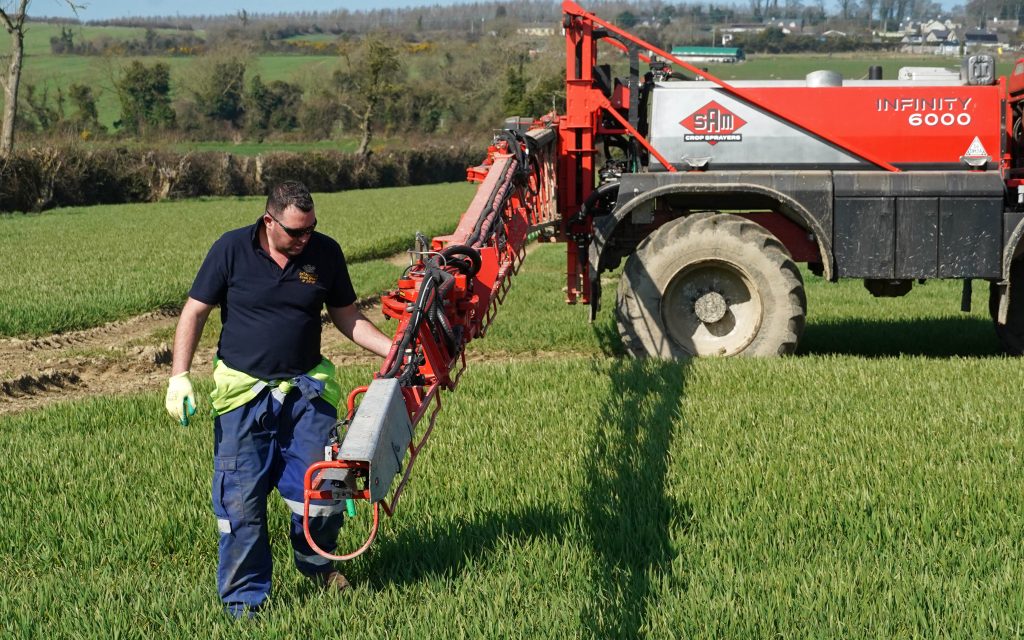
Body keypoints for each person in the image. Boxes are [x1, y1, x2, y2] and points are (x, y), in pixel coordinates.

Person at [164, 180, 392, 618]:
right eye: (295, 232)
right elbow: (194, 311)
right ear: (269, 222)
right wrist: (179, 377)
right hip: (243, 397)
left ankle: (318, 564)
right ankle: (245, 604)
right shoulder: (231, 249)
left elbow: (347, 317)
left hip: (307, 393)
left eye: (310, 229)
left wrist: (394, 350)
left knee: (326, 489)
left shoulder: (324, 253)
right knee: (240, 504)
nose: (304, 239)